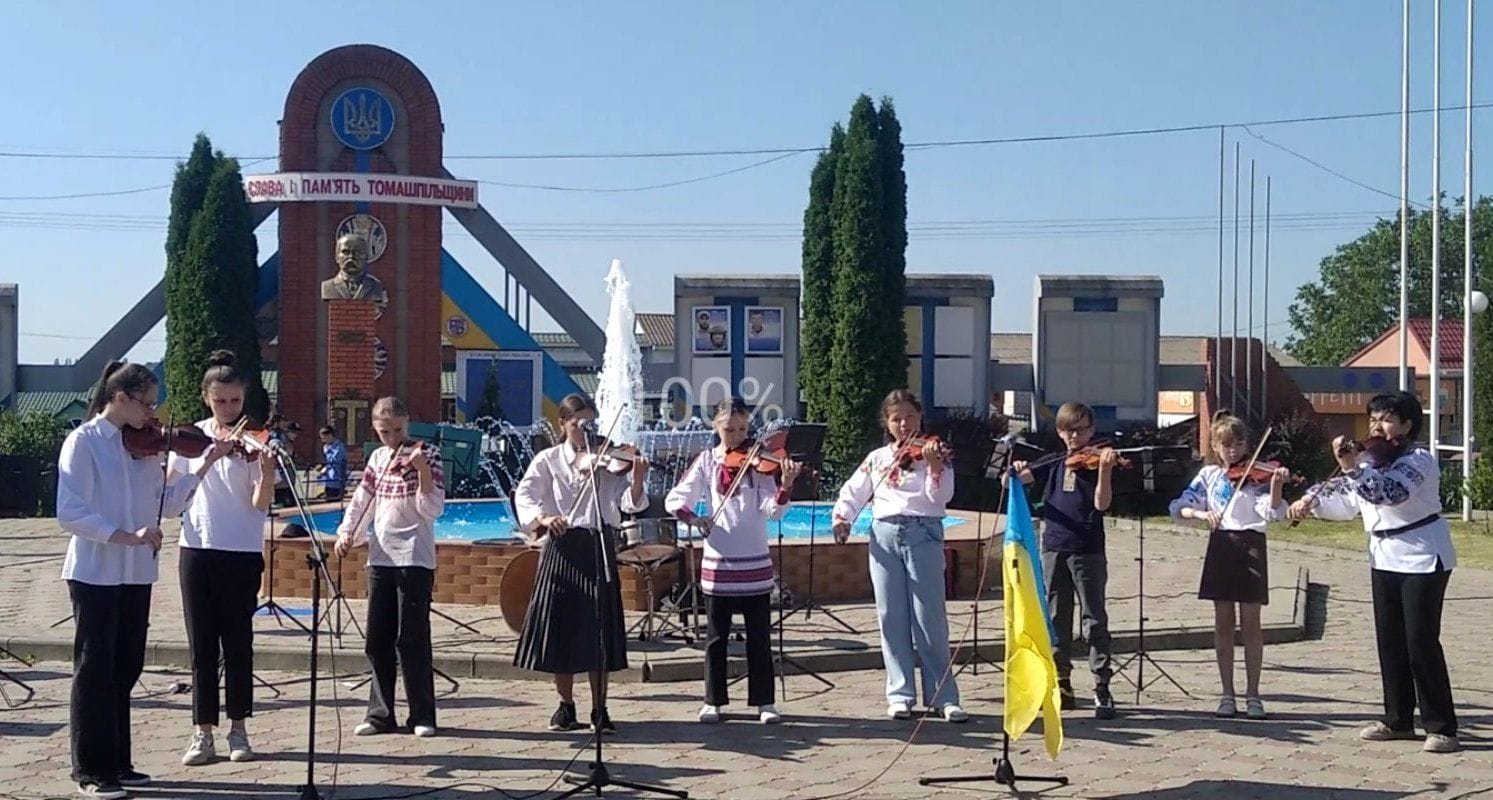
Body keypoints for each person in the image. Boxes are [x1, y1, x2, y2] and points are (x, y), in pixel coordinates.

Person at [57, 361, 232, 799]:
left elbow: (168, 506)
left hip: (137, 571)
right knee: (94, 669)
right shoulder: (84, 442)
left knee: (127, 665)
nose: (153, 414)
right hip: (96, 570)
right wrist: (124, 536)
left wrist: (204, 465)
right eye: (147, 404)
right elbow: (70, 511)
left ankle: (118, 761)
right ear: (119, 398)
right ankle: (90, 770)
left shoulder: (147, 447)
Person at [1288, 391, 1460, 753]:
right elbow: (1345, 499)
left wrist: (1354, 468)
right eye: (1373, 419)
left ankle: (1441, 725)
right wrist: (1310, 501)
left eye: (1385, 419)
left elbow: (1390, 493)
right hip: (1382, 557)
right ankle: (1398, 719)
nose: (1376, 427)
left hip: (1422, 556)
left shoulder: (1418, 460)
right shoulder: (1369, 462)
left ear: (1407, 425)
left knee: (1420, 641)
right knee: (1390, 640)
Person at [513, 394, 648, 734]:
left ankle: (600, 708)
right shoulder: (548, 460)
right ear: (564, 424)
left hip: (597, 544)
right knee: (562, 629)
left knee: (599, 630)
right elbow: (524, 495)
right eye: (578, 424)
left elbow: (628, 505)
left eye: (591, 423)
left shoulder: (608, 459)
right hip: (562, 545)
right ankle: (566, 705)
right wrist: (544, 517)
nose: (585, 431)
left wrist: (636, 479)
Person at [832, 390, 966, 723]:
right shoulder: (878, 458)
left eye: (909, 416)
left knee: (929, 617)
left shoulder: (937, 453)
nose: (903, 424)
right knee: (890, 615)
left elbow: (940, 499)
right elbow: (854, 490)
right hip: (884, 535)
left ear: (920, 417)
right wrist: (842, 517)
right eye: (896, 419)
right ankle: (901, 693)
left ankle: (943, 696)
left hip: (923, 533)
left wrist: (934, 466)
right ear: (887, 424)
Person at [666, 398, 802, 725]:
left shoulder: (759, 463)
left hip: (754, 562)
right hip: (719, 562)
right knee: (716, 638)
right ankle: (713, 700)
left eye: (742, 429)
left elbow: (773, 510)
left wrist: (785, 485)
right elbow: (676, 499)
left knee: (760, 637)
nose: (738, 436)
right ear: (716, 426)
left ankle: (764, 702)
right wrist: (696, 520)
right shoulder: (707, 462)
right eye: (730, 429)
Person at [172, 351, 277, 767]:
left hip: (241, 551)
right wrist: (208, 457)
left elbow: (258, 504)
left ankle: (239, 729)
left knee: (238, 643)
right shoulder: (191, 439)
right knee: (201, 645)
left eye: (235, 401)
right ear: (206, 398)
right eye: (221, 402)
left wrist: (266, 472)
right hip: (197, 548)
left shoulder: (255, 442)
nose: (229, 409)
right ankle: (202, 732)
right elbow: (172, 490)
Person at [335, 397, 446, 738]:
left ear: (408, 423)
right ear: (375, 428)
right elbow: (363, 501)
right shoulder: (378, 458)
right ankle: (380, 714)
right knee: (377, 638)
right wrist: (346, 533)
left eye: (398, 430)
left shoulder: (427, 455)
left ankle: (422, 714)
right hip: (381, 557)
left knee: (412, 638)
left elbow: (432, 509)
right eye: (385, 431)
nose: (392, 438)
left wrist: (422, 470)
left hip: (414, 557)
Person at [1170, 411, 1289, 721]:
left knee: (1251, 622)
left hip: (1250, 544)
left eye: (1238, 444)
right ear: (1216, 446)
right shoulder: (1209, 476)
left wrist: (1276, 486)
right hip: (1221, 545)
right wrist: (1200, 515)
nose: (1233, 451)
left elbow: (1273, 511)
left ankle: (1254, 694)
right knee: (1223, 621)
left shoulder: (1257, 476)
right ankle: (1227, 693)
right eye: (1226, 445)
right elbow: (1179, 506)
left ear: (1247, 445)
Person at [1005, 402, 1119, 719]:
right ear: (1060, 432)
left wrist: (1106, 471)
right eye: (1069, 429)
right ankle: (1061, 682)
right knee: (1056, 617)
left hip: (1087, 548)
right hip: (1053, 546)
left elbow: (1102, 503)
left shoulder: (1096, 462)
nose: (1075, 435)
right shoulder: (1054, 461)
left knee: (1094, 618)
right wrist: (1015, 471)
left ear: (1092, 431)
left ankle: (1101, 686)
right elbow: (1012, 482)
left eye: (1081, 429)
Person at [317, 425, 348, 501]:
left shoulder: (340, 447)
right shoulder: (325, 447)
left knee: (335, 502)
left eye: (324, 438)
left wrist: (325, 468)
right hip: (328, 481)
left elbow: (335, 461)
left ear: (330, 435)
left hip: (337, 481)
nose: (323, 440)